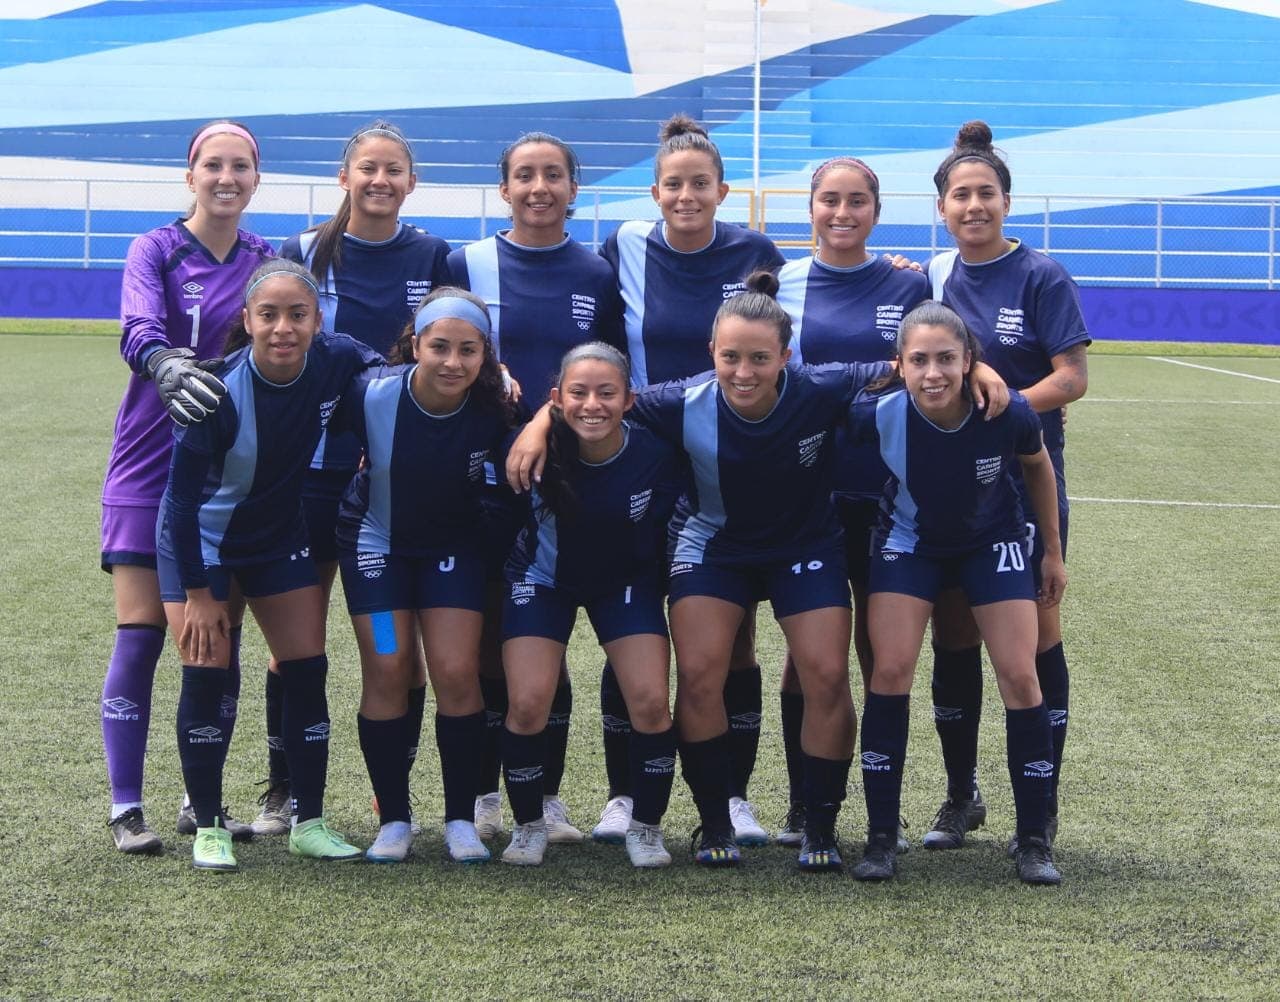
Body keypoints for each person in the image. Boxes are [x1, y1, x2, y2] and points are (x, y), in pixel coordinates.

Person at [508, 272, 1009, 870]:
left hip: (804, 546)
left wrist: (978, 367)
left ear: (785, 358)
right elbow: (598, 396)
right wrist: (542, 420)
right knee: (698, 676)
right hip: (713, 550)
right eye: (730, 357)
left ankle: (820, 823)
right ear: (711, 354)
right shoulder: (679, 401)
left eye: (759, 358)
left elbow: (909, 361)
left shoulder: (819, 388)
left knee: (825, 674)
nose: (744, 372)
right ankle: (714, 820)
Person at [248, 121, 450, 837]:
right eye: (368, 168)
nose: (380, 181)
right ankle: (283, 792)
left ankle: (387, 794)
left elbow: (445, 356)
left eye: (394, 170)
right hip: (303, 482)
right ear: (345, 176)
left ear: (410, 181)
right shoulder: (303, 252)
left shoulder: (432, 254)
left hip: (390, 485)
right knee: (293, 645)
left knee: (398, 650)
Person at [593, 114, 787, 847]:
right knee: (634, 623)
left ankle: (734, 796)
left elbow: (783, 341)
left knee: (729, 640)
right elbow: (600, 346)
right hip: (643, 456)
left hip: (728, 460)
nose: (686, 196)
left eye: (699, 184)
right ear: (655, 190)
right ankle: (621, 794)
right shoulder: (625, 247)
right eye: (673, 184)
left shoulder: (756, 251)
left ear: (722, 189)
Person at [156, 258, 382, 871]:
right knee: (207, 668)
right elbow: (178, 503)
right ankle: (208, 825)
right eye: (270, 315)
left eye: (298, 315)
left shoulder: (335, 358)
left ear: (317, 320)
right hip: (201, 546)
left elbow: (380, 368)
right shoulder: (215, 392)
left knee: (306, 667)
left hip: (279, 540)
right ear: (249, 321)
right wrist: (200, 595)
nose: (284, 328)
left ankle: (308, 820)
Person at [847, 300, 1066, 885]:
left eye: (946, 359)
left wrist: (1052, 551)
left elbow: (1039, 467)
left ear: (970, 361)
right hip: (907, 543)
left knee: (1020, 675)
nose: (933, 373)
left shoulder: (1008, 411)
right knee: (890, 671)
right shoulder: (876, 413)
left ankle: (1034, 838)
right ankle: (881, 838)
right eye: (918, 360)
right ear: (899, 364)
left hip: (991, 542)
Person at [446, 132, 625, 846]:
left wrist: (556, 418)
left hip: (575, 477)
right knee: (493, 638)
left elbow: (612, 368)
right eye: (525, 175)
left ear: (574, 189)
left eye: (554, 175)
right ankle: (489, 795)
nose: (540, 187)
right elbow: (444, 354)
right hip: (486, 475)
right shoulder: (469, 263)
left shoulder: (597, 271)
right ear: (505, 189)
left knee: (548, 639)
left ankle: (545, 797)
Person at [101, 119, 272, 854]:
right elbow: (136, 326)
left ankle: (200, 796)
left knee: (217, 636)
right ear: (191, 173)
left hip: (229, 473)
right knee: (141, 632)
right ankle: (124, 805)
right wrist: (164, 363)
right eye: (213, 165)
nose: (225, 177)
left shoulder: (269, 259)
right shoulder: (157, 249)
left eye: (240, 166)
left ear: (255, 178)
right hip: (148, 461)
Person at [921, 121, 1089, 855]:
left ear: (1007, 201)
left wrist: (1004, 404)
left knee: (1032, 646)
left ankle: (1040, 810)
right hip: (952, 496)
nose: (973, 206)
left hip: (1026, 489)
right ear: (943, 208)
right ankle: (962, 796)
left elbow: (1072, 378)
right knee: (955, 638)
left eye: (985, 192)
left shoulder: (1041, 275)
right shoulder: (932, 276)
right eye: (960, 195)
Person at [772, 155, 929, 847]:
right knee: (808, 657)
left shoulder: (909, 281)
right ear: (810, 207)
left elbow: (929, 367)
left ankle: (877, 809)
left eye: (857, 200)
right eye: (829, 199)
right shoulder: (783, 283)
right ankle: (806, 801)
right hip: (812, 494)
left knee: (879, 654)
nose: (842, 212)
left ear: (876, 209)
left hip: (892, 493)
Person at [334, 288, 519, 864]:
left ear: (485, 354)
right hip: (377, 550)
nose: (452, 362)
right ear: (416, 344)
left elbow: (524, 462)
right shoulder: (369, 393)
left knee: (457, 671)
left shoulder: (495, 406)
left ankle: (461, 818)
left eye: (468, 350)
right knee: (388, 663)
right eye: (439, 346)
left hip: (451, 555)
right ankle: (393, 819)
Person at [499, 343, 683, 868]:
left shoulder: (655, 450)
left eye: (607, 393)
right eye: (578, 393)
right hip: (542, 578)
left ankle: (645, 827)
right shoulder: (534, 447)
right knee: (529, 703)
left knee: (649, 702)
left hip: (624, 584)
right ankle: (529, 824)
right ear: (557, 398)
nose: (592, 405)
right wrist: (537, 424)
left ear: (629, 400)